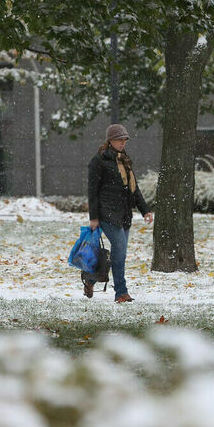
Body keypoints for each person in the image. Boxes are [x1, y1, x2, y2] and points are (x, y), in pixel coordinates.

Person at [86, 124, 153, 302]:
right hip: (106, 213)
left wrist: (145, 210)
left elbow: (134, 188)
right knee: (120, 251)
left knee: (118, 254)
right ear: (110, 140)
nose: (122, 142)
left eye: (124, 139)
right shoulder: (98, 160)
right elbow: (92, 191)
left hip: (124, 214)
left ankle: (91, 278)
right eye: (119, 139)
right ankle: (121, 292)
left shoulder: (125, 160)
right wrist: (93, 217)